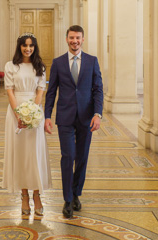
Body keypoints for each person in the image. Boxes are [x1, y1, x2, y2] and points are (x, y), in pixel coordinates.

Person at [44, 25, 103, 218]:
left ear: (83, 39)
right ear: (67, 39)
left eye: (78, 38)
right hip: (65, 118)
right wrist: (47, 116)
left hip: (86, 118)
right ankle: (68, 199)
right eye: (71, 38)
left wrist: (97, 114)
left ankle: (77, 193)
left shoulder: (92, 61)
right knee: (68, 157)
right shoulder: (58, 62)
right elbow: (51, 91)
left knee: (82, 158)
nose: (74, 41)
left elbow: (98, 90)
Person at [2, 33, 51, 216]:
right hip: (15, 113)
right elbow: (10, 91)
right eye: (24, 45)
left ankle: (37, 194)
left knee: (34, 154)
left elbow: (40, 91)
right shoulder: (10, 66)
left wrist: (32, 113)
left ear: (35, 47)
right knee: (20, 154)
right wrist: (19, 115)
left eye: (30, 45)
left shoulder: (40, 66)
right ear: (19, 46)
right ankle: (24, 196)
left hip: (35, 113)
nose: (28, 48)